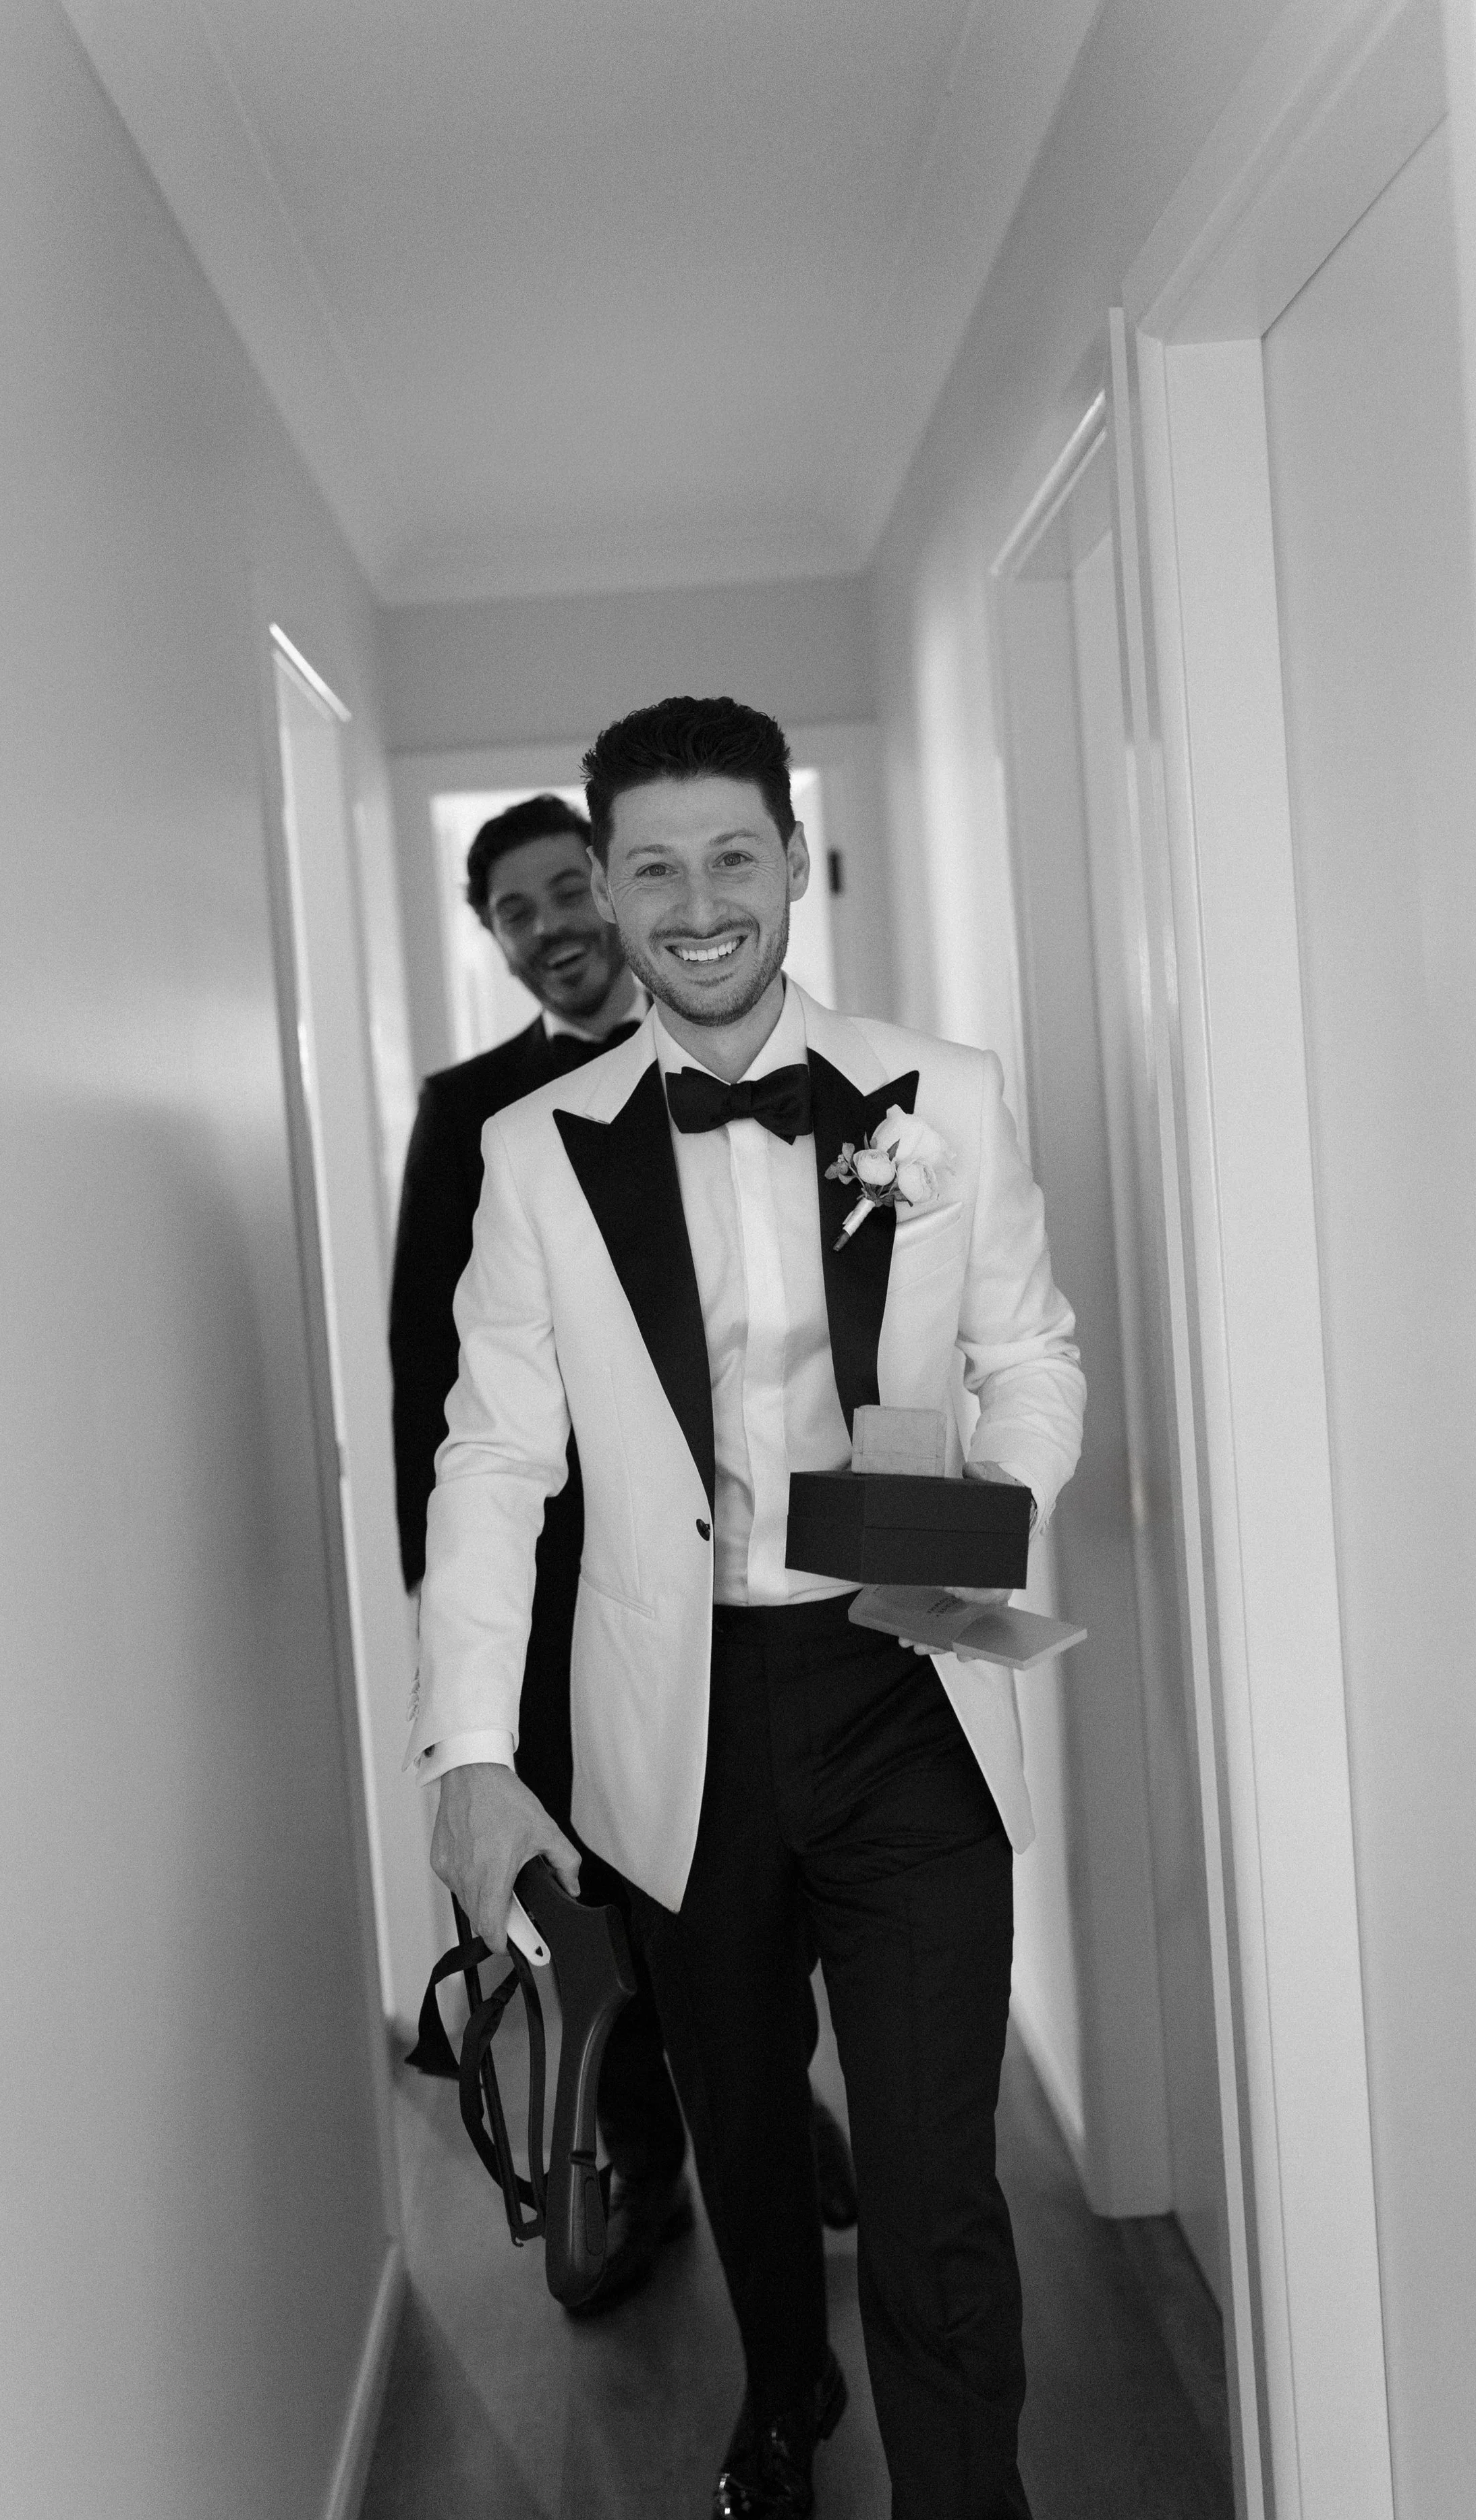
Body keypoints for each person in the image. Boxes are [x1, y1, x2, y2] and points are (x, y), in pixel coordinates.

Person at [409, 702, 1084, 2517]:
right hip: (677, 1713)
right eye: (653, 864)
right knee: (745, 2130)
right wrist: (472, 1751)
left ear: (791, 859)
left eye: (732, 854)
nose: (696, 899)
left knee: (936, 2177)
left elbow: (1030, 1345)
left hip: (907, 1675)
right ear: (611, 891)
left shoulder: (942, 1088)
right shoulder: (537, 1151)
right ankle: (784, 2394)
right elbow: (490, 1458)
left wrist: (983, 1506)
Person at [390, 790, 853, 2320]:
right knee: (622, 1906)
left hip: (755, 1584)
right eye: (509, 912)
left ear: (604, 890)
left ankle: (778, 2118)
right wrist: (464, 1637)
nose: (547, 931)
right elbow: (432, 1390)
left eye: (557, 894)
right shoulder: (470, 1115)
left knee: (756, 1885)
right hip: (562, 1598)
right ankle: (647, 2171)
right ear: (497, 939)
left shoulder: (764, 1066)